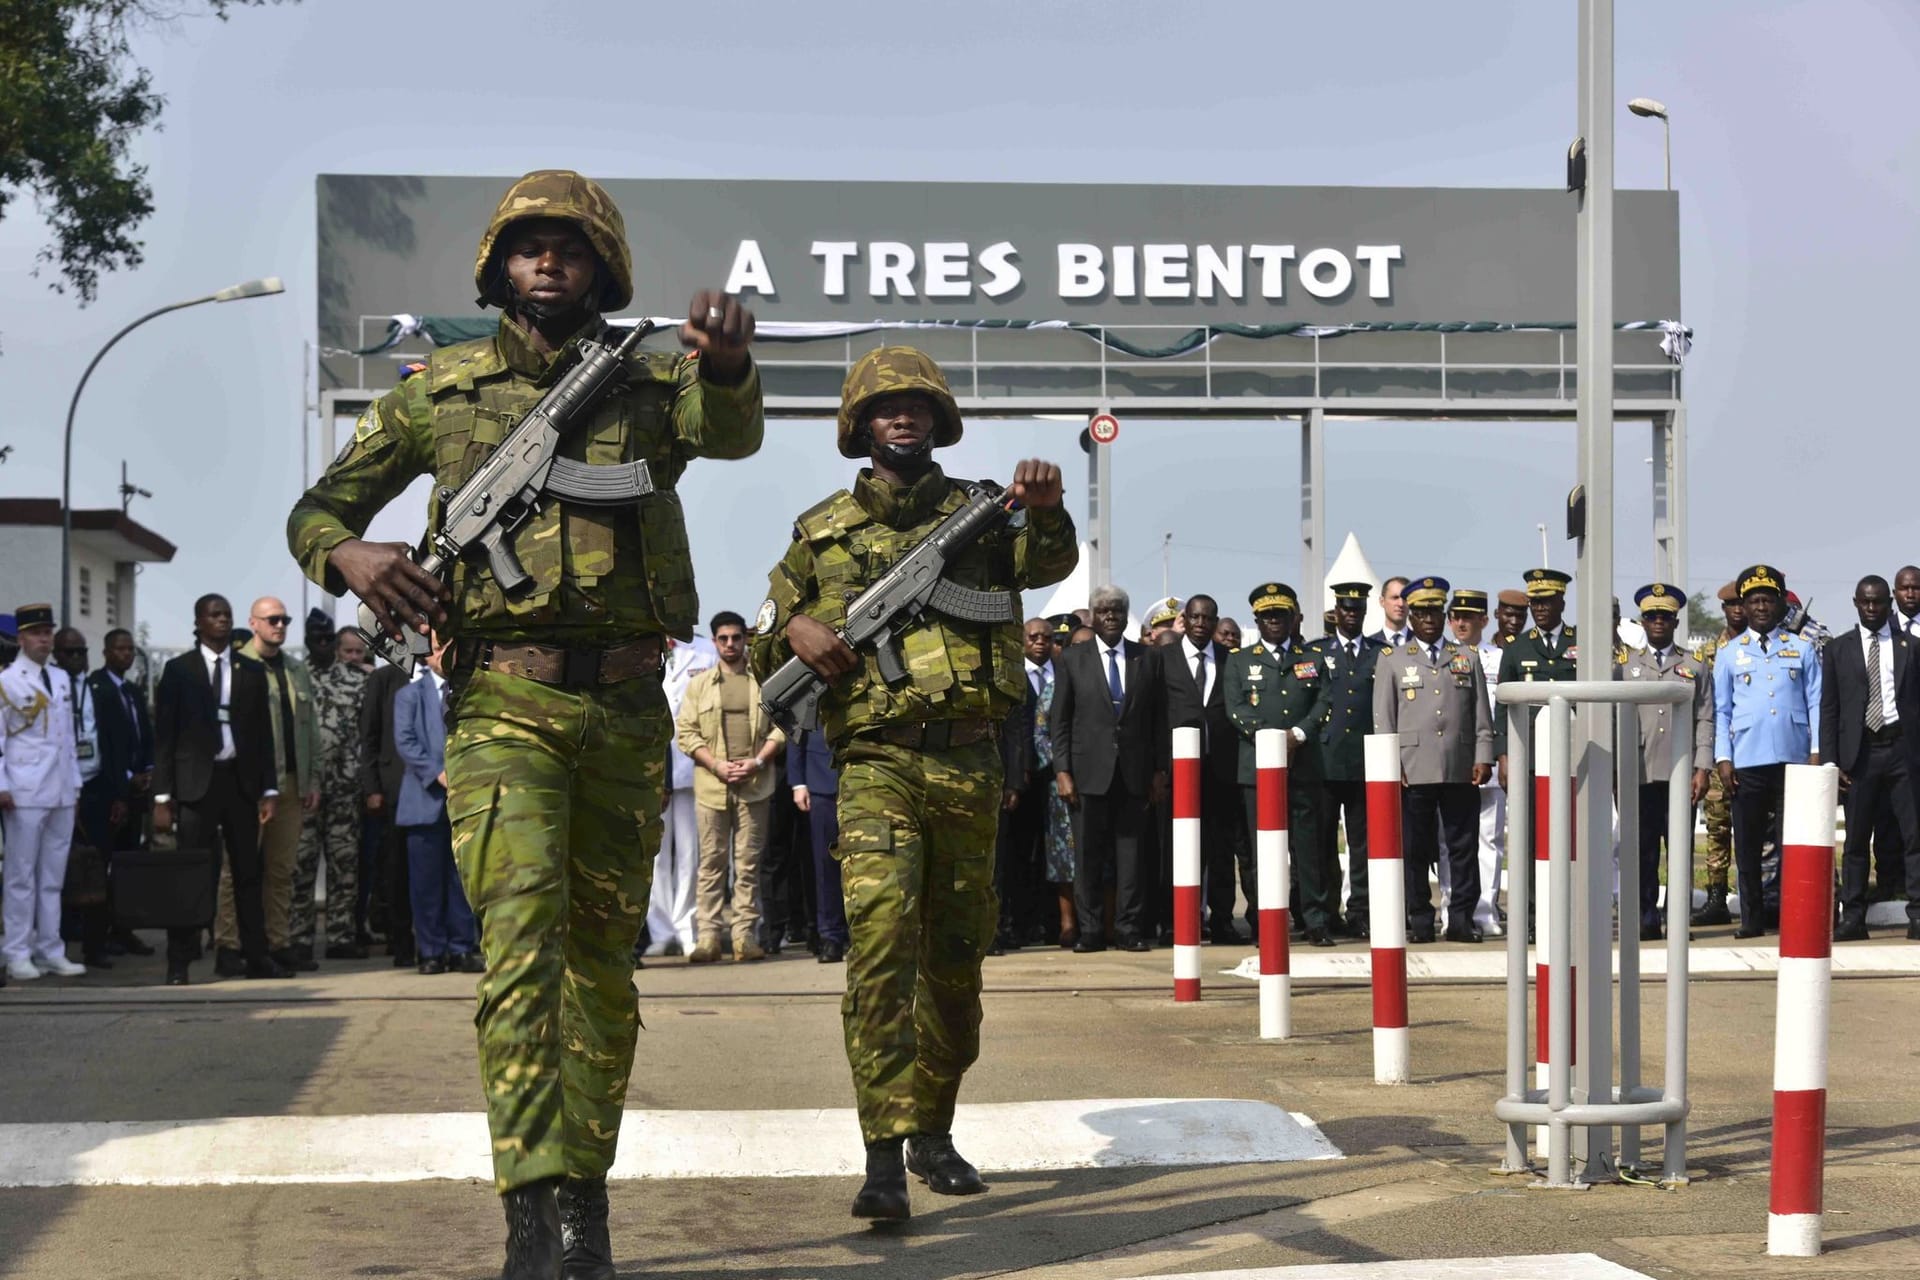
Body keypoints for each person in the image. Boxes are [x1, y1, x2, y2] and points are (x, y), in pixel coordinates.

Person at [287, 167, 763, 1276]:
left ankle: (583, 1199)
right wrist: (350, 552)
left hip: (625, 704)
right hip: (503, 696)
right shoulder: (438, 390)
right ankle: (528, 1201)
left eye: (570, 246)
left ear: (603, 264)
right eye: (529, 245)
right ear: (499, 263)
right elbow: (320, 510)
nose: (548, 261)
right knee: (518, 953)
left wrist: (730, 364)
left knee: (601, 961)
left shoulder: (652, 378)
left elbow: (723, 431)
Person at [749, 345, 1074, 1220]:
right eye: (887, 406)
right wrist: (798, 635)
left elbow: (1043, 569)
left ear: (939, 420)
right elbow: (770, 634)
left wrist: (1044, 513)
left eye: (919, 405)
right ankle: (883, 1152)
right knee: (882, 948)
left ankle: (934, 1128)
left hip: (969, 762)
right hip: (878, 764)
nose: (904, 416)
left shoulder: (985, 517)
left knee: (957, 963)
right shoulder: (822, 532)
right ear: (860, 423)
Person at [151, 594, 288, 984]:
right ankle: (179, 962)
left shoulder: (250, 670)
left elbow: (263, 734)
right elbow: (165, 736)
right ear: (199, 622)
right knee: (193, 876)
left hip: (240, 784)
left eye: (227, 614)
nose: (223, 620)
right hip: (195, 788)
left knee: (248, 874)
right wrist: (162, 797)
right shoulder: (179, 671)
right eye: (215, 615)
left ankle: (257, 958)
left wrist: (270, 790)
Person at [1373, 577, 1494, 943]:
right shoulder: (1393, 660)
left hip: (1459, 764)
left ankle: (1460, 918)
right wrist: (1391, 763)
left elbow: (1481, 714)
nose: (1428, 619)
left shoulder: (1466, 657)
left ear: (1444, 615)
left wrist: (1483, 755)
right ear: (1411, 616)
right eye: (1421, 612)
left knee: (1463, 846)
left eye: (1434, 612)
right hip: (1413, 767)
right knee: (1415, 848)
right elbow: (1384, 717)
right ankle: (1421, 919)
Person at [1713, 564, 1822, 939]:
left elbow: (1816, 703)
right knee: (1747, 843)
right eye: (1754, 600)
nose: (1761, 607)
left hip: (1793, 757)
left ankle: (1796, 913)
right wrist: (1723, 758)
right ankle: (1752, 919)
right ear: (1743, 606)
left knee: (1794, 842)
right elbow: (1721, 710)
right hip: (1747, 758)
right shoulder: (1729, 654)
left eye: (1767, 600)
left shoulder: (1801, 648)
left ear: (1778, 604)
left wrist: (1816, 751)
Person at [1052, 584, 1161, 953]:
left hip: (1134, 775)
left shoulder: (1146, 658)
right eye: (1103, 611)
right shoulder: (1072, 659)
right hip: (1086, 775)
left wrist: (1159, 771)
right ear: (1093, 616)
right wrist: (1062, 771)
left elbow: (1156, 721)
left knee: (1131, 860)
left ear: (1125, 616)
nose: (1111, 616)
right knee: (1088, 859)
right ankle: (1091, 930)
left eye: (1117, 610)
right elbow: (1060, 721)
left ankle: (1129, 929)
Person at [1223, 583, 1333, 944]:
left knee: (1308, 849)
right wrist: (1269, 738)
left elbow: (1323, 702)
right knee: (1261, 850)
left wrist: (1298, 735)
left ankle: (1314, 920)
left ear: (1292, 618)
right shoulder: (1240, 660)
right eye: (1267, 616)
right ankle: (1264, 920)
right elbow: (1236, 708)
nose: (1274, 621)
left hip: (1302, 767)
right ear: (1257, 619)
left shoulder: (1312, 658)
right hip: (1257, 770)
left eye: (1280, 615)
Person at [215, 598, 319, 975]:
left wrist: (313, 779)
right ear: (253, 623)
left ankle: (277, 941)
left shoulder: (295, 669)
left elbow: (311, 730)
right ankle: (228, 944)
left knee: (281, 869)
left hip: (292, 782)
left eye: (284, 620)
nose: (280, 625)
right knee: (236, 870)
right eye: (273, 619)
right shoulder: (237, 666)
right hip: (251, 783)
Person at [675, 611, 785, 964]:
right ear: (714, 641)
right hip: (712, 786)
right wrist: (716, 764)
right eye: (723, 639)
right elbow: (686, 733)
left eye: (736, 638)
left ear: (744, 640)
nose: (730, 644)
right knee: (711, 864)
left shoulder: (765, 682)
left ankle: (743, 938)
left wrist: (758, 761)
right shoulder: (699, 684)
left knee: (749, 864)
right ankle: (708, 937)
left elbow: (782, 727)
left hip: (755, 783)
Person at [1820, 575, 1920, 941]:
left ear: (1889, 604)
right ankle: (1853, 917)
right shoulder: (1837, 650)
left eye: (1879, 602)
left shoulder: (1911, 646)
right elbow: (1829, 710)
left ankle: (1917, 914)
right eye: (1867, 602)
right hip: (1858, 756)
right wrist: (1832, 762)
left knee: (1914, 838)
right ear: (1856, 603)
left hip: (1902, 753)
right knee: (1857, 841)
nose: (1873, 608)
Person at [1154, 594, 1251, 945]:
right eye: (1194, 617)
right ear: (1185, 618)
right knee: (1176, 851)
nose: (1200, 624)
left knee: (1221, 851)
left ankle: (1223, 921)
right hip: (1177, 773)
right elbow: (1155, 717)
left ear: (1215, 621)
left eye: (1207, 618)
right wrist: (1159, 768)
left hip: (1222, 771)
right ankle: (1175, 922)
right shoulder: (1162, 659)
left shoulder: (1231, 661)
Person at [1622, 585, 1714, 940]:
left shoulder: (1694, 666)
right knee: (1641, 849)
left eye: (1664, 616)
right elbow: (1618, 721)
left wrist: (1702, 767)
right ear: (1642, 622)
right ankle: (1645, 919)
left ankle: (1677, 920)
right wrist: (1620, 772)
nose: (1657, 622)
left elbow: (1705, 717)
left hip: (1681, 772)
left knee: (1679, 850)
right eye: (1651, 616)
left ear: (1675, 621)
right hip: (1640, 771)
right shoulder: (1626, 667)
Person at [0, 604, 87, 981]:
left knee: (53, 876)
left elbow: (67, 738)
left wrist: (77, 784)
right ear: (21, 638)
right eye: (36, 633)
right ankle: (17, 950)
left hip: (61, 788)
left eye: (48, 632)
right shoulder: (8, 680)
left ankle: (50, 948)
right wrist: (1, 785)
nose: (44, 639)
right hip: (23, 790)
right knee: (20, 877)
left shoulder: (60, 678)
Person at [394, 635, 482, 975]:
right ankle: (430, 950)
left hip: (465, 799)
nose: (441, 653)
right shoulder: (409, 695)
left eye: (446, 647)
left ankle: (462, 947)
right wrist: (437, 774)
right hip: (424, 799)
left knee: (462, 879)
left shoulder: (469, 694)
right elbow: (405, 740)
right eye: (434, 648)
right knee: (425, 883)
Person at [1308, 582, 1388, 938]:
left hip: (1365, 760)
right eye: (1345, 609)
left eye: (1357, 609)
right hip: (1324, 760)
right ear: (1335, 613)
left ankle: (1361, 911)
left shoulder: (1380, 653)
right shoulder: (1315, 652)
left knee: (1363, 843)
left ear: (1365, 612)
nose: (1351, 615)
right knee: (1323, 841)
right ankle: (1326, 912)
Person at [81, 627, 156, 961]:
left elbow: (144, 736)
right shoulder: (96, 688)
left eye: (131, 650)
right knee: (103, 865)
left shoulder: (132, 691)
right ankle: (97, 938)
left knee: (129, 864)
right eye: (120, 649)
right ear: (107, 652)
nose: (126, 654)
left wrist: (148, 772)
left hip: (136, 790)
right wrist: (125, 781)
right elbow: (105, 746)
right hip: (109, 793)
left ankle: (124, 930)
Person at [296, 617, 368, 959]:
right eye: (316, 638)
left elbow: (367, 734)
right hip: (303, 792)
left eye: (328, 637)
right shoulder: (294, 676)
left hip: (344, 789)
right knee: (301, 864)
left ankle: (341, 936)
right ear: (307, 640)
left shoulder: (358, 680)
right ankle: (298, 938)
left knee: (344, 866)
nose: (322, 643)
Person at [646, 634, 716, 957]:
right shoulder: (642, 642)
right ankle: (660, 930)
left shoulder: (704, 650)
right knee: (656, 854)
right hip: (653, 761)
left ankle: (688, 928)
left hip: (692, 763)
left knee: (691, 853)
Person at [1439, 589, 1504, 937]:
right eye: (1456, 616)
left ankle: (1485, 909)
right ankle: (1454, 909)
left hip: (1489, 763)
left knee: (1489, 840)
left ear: (1484, 620)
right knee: (1450, 842)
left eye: (1469, 616)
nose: (1461, 622)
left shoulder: (1499, 658)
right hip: (1452, 764)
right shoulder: (1443, 656)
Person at [993, 618, 1055, 952]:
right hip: (1014, 780)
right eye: (1033, 637)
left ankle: (1036, 922)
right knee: (1011, 858)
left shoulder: (1062, 671)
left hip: (1054, 781)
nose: (1040, 643)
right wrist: (1015, 779)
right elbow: (1014, 731)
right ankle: (1007, 924)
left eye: (1047, 637)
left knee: (1042, 859)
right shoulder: (1012, 672)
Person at [1693, 580, 1746, 926]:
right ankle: (1716, 896)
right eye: (1732, 605)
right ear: (1724, 610)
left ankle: (1756, 895)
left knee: (1754, 829)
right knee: (1717, 827)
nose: (1738, 610)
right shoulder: (1708, 653)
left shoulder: (1760, 648)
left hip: (1750, 750)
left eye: (1743, 604)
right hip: (1717, 752)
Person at [359, 658, 415, 965]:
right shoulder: (384, 678)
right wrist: (372, 789)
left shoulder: (442, 670)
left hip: (438, 789)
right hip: (394, 790)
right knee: (394, 869)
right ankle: (400, 942)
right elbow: (369, 737)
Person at [1031, 623, 1081, 946]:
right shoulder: (1055, 685)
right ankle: (1068, 923)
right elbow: (1041, 733)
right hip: (1061, 783)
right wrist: (1063, 769)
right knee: (1063, 858)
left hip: (1099, 778)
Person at [788, 728, 847, 963]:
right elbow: (795, 726)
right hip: (821, 779)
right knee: (825, 865)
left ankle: (861, 932)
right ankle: (831, 936)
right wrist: (798, 782)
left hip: (868, 777)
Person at [1371, 576, 1412, 649]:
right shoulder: (1369, 645)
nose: (1401, 604)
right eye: (1395, 598)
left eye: (1405, 598)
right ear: (1382, 601)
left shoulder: (1421, 643)